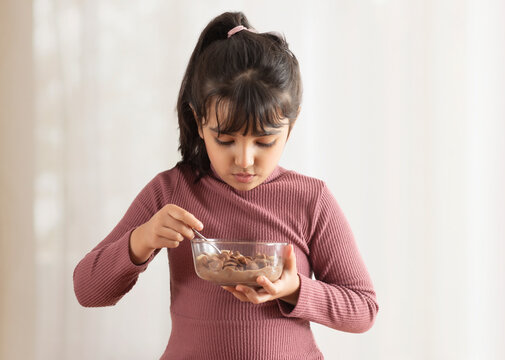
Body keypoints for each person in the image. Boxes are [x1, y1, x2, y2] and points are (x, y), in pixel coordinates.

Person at [73, 11, 378, 359]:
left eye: (263, 142)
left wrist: (294, 289)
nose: (244, 160)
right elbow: (87, 289)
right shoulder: (172, 191)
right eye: (225, 139)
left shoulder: (310, 199)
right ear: (199, 122)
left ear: (289, 130)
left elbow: (363, 308)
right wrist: (141, 239)